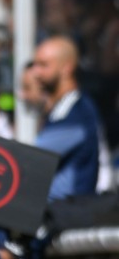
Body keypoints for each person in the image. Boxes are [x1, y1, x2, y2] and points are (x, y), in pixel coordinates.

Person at [30, 37, 103, 201]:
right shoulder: (60, 109)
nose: (35, 72)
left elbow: (30, 159)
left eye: (43, 65)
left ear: (66, 68)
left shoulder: (77, 114)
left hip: (65, 217)